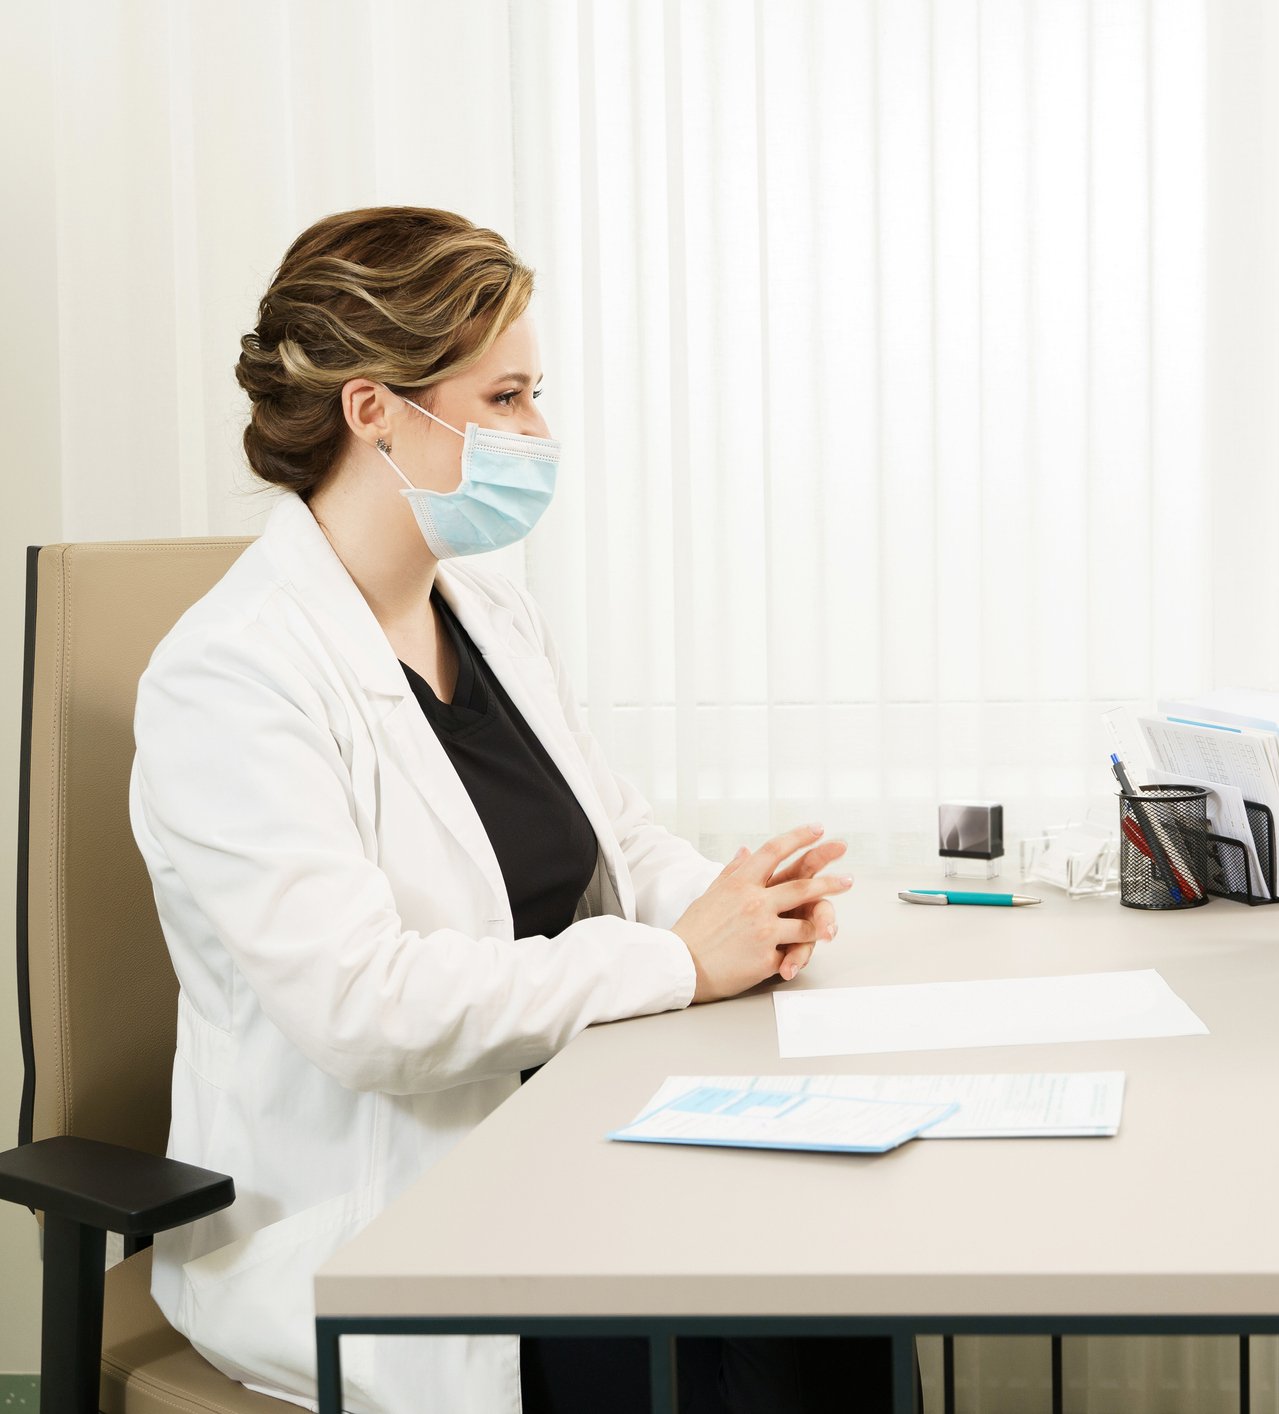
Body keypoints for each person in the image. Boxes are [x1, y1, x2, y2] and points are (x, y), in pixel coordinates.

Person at [130, 207, 889, 1414]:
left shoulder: (486, 607)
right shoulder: (231, 674)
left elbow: (612, 837)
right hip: (383, 1212)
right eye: (507, 400)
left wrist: (728, 901)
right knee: (745, 1359)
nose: (539, 434)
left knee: (847, 1286)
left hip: (565, 1132)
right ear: (372, 408)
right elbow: (364, 1007)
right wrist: (677, 962)